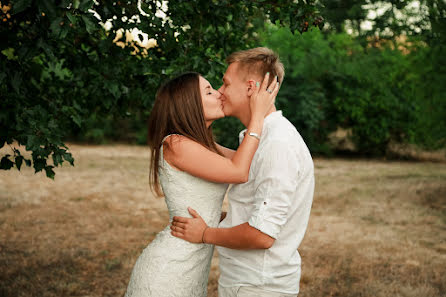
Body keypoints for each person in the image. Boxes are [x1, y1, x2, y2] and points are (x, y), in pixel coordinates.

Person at [171, 47, 315, 297]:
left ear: (250, 87)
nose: (221, 91)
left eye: (225, 83)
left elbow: (262, 235)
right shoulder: (260, 138)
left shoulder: (277, 144)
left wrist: (205, 234)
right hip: (248, 281)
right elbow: (253, 207)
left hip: (258, 285)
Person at [124, 71, 279, 297]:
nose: (219, 94)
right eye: (209, 91)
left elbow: (251, 163)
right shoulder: (176, 143)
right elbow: (239, 171)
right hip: (168, 272)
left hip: (192, 270)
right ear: (189, 104)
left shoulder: (204, 146)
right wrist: (257, 115)